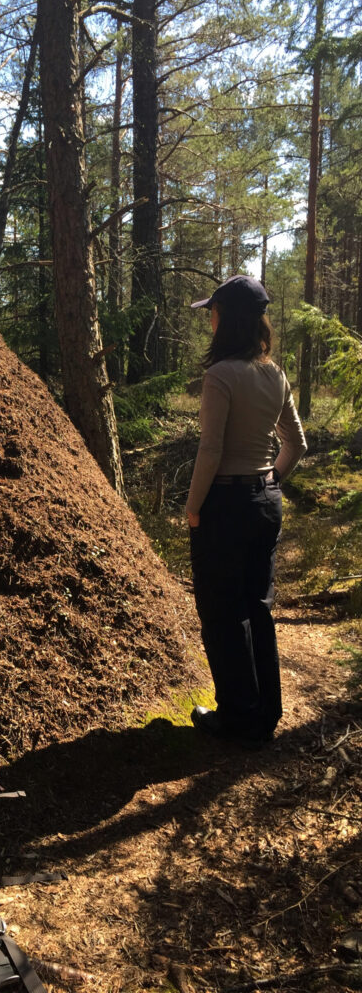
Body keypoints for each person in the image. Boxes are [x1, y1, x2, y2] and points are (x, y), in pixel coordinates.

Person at [185, 275, 307, 746]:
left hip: (224, 505)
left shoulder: (219, 377)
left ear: (226, 320)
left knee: (220, 611)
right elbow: (296, 444)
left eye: (211, 312)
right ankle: (265, 712)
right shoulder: (274, 374)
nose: (208, 320)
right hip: (264, 503)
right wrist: (270, 481)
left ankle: (235, 717)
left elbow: (210, 451)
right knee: (257, 607)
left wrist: (194, 508)